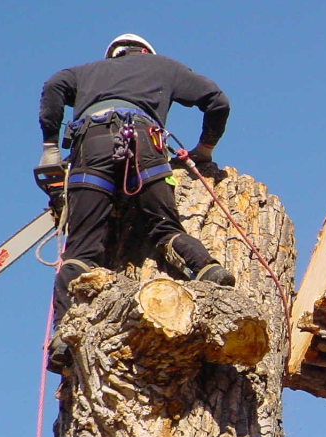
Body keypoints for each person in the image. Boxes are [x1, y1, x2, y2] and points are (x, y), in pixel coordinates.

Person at [38, 33, 235, 373]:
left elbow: (53, 87)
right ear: (145, 52)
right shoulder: (164, 67)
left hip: (91, 147)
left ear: (112, 55)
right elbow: (218, 102)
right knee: (165, 229)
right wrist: (204, 150)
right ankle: (207, 268)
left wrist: (50, 148)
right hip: (146, 144)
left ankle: (64, 335)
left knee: (81, 252)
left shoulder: (84, 72)